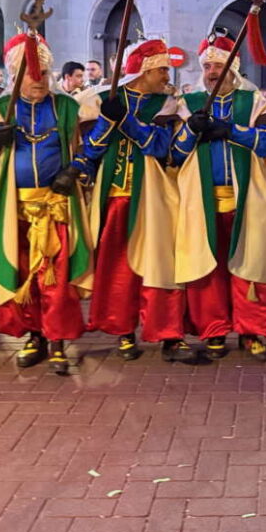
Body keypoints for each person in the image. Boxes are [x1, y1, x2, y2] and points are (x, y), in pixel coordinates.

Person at [0, 32, 94, 375]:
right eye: (31, 73)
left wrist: (75, 168)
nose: (39, 80)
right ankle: (35, 338)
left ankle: (58, 341)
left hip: (56, 205)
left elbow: (89, 150)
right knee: (24, 280)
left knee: (56, 280)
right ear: (15, 75)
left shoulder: (67, 108)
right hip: (16, 209)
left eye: (44, 73)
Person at [172, 33, 266, 362]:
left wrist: (233, 131)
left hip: (247, 198)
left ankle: (252, 332)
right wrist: (191, 129)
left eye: (219, 66)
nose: (212, 72)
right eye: (207, 67)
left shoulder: (255, 102)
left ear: (233, 69)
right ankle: (214, 329)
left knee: (249, 266)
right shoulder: (187, 105)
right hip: (202, 200)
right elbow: (175, 154)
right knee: (208, 269)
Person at [75, 38, 184, 361]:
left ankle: (167, 333)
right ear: (147, 71)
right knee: (117, 268)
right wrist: (107, 122)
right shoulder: (103, 100)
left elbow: (158, 145)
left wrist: (125, 120)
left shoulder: (166, 104)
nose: (167, 76)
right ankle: (122, 330)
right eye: (163, 69)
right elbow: (92, 148)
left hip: (154, 197)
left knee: (161, 265)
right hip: (114, 195)